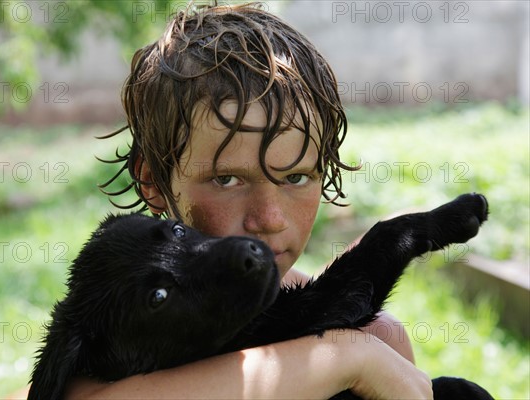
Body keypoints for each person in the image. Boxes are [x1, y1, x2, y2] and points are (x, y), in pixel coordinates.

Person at [67, 3, 432, 399]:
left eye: (295, 177)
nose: (270, 219)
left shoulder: (376, 339)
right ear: (152, 180)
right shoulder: (123, 331)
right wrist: (342, 359)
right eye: (226, 179)